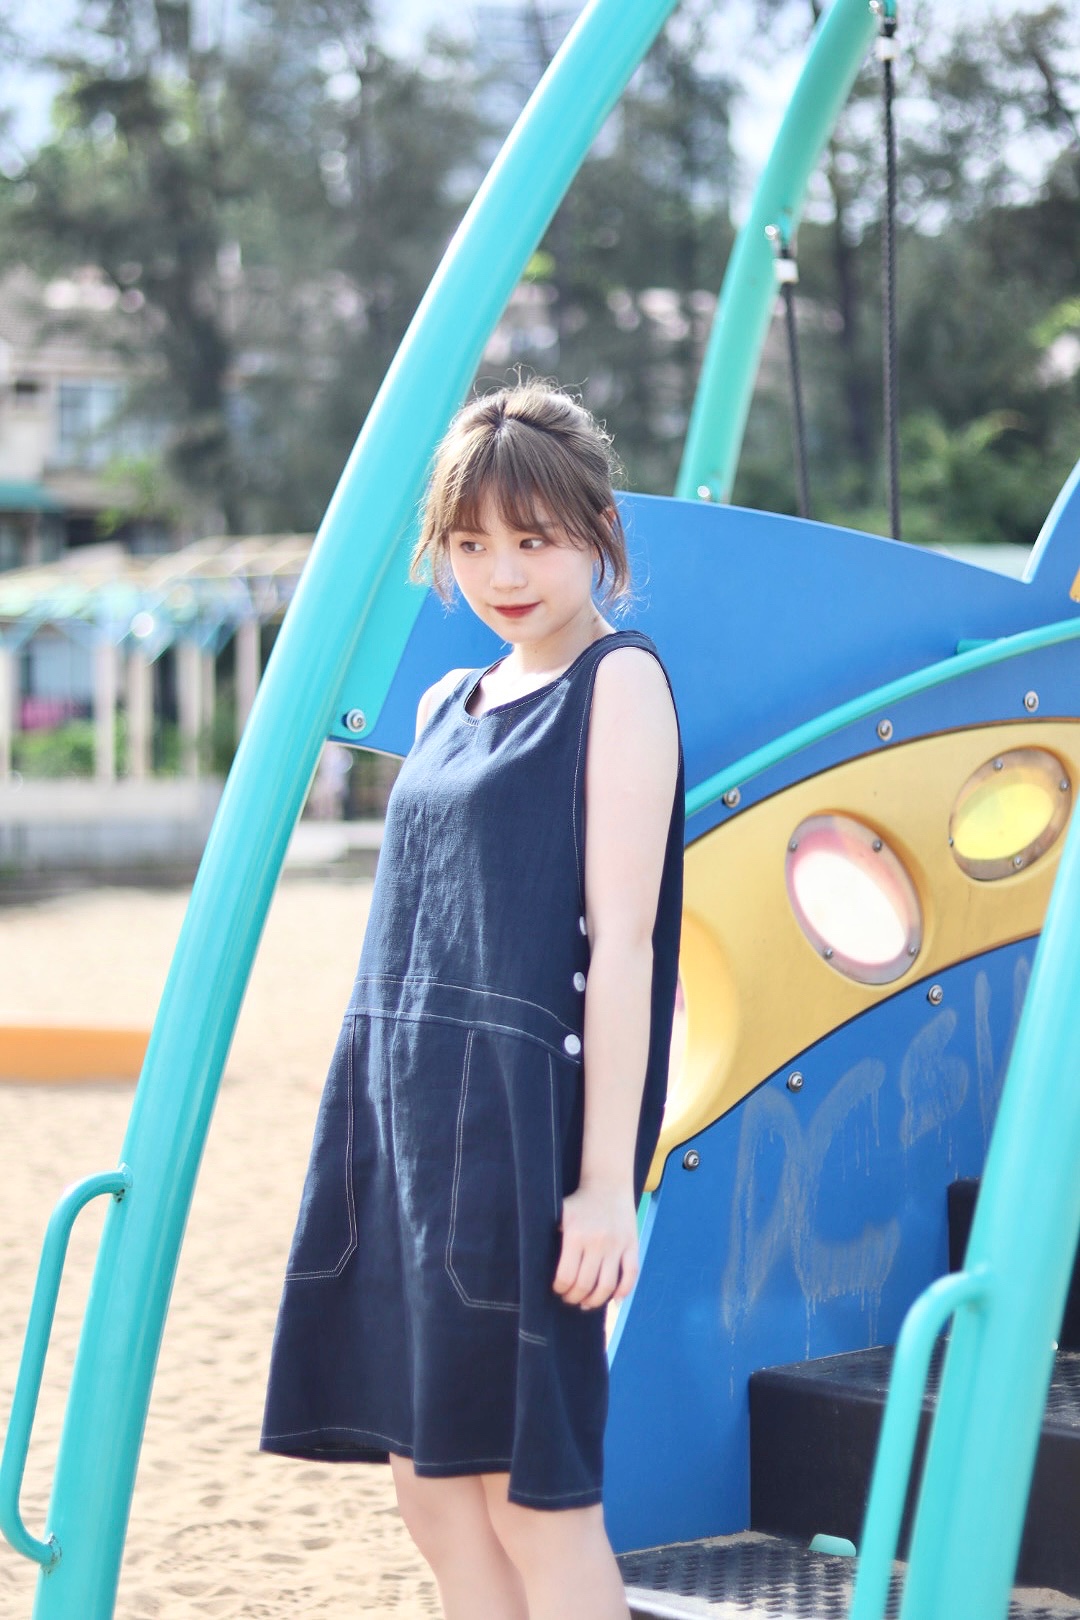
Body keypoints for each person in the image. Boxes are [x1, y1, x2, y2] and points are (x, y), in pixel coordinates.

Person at [261, 380, 684, 1620]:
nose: (502, 572)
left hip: (514, 1133)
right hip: (398, 1126)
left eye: (534, 539)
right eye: (470, 541)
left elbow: (627, 947)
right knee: (432, 1492)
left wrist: (604, 1183)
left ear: (599, 530)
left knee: (531, 1497)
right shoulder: (447, 702)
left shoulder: (617, 683)